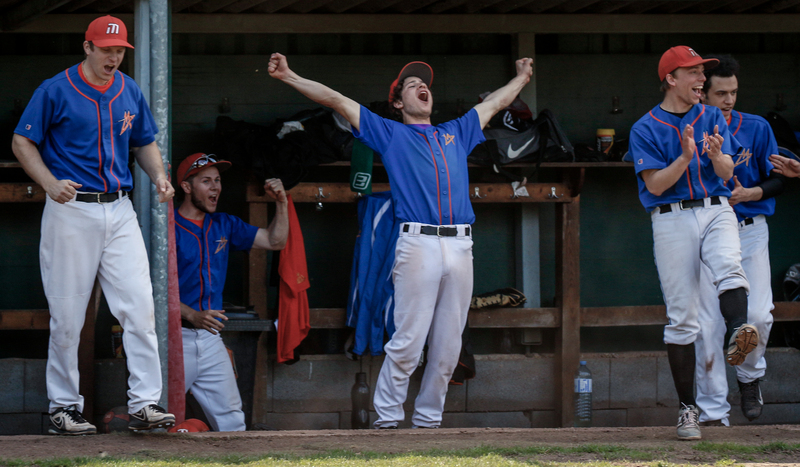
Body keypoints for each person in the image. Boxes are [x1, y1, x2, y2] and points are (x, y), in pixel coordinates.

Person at [268, 52, 533, 429]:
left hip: (460, 244)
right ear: (398, 102)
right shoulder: (390, 132)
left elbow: (495, 103)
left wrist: (522, 78)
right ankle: (388, 421)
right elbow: (335, 100)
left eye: (424, 84)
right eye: (411, 85)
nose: (421, 86)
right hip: (418, 243)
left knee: (448, 347)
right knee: (408, 342)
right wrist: (289, 76)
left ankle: (428, 423)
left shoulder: (455, 130)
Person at [11, 15, 175, 434]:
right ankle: (64, 408)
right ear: (87, 48)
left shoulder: (129, 89)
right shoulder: (56, 88)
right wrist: (48, 182)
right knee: (67, 316)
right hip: (72, 209)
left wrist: (158, 175)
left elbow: (144, 141)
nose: (114, 56)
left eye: (119, 50)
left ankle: (145, 405)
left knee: (139, 307)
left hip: (119, 207)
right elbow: (22, 140)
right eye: (106, 49)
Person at [629, 45, 758, 440]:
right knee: (682, 318)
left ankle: (738, 331)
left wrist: (719, 156)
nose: (702, 79)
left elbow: (726, 169)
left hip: (716, 206)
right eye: (694, 73)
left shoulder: (711, 116)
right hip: (671, 216)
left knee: (729, 266)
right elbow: (654, 183)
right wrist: (685, 158)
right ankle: (689, 410)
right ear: (671, 79)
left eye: (703, 72)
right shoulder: (645, 126)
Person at [695, 55, 784, 426]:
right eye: (720, 93)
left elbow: (782, 176)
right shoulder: (688, 127)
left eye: (733, 92)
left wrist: (754, 192)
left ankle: (750, 378)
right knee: (708, 326)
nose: (728, 100)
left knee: (760, 315)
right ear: (703, 94)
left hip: (749, 227)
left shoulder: (757, 127)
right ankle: (713, 411)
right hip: (706, 230)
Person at [175, 153, 288, 432]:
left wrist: (282, 204)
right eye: (206, 181)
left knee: (233, 421)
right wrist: (192, 315)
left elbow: (275, 240)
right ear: (187, 187)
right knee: (161, 416)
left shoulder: (224, 223)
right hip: (173, 338)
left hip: (211, 337)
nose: (215, 188)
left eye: (218, 180)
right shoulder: (166, 227)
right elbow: (149, 289)